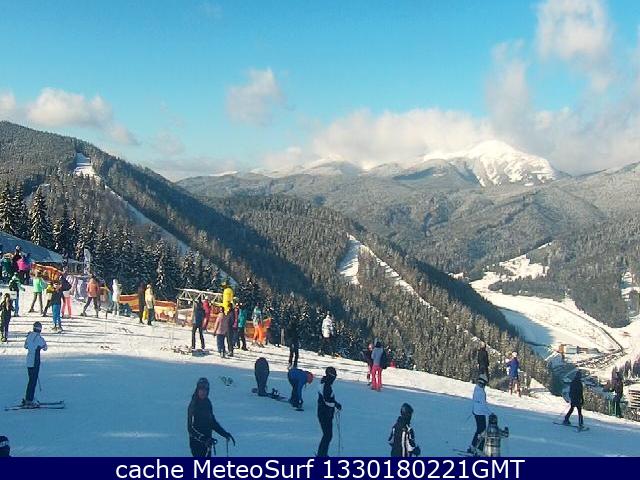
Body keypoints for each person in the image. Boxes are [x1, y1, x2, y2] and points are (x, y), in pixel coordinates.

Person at [187, 378, 235, 457]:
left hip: (208, 443)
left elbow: (212, 422)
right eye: (201, 389)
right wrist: (203, 438)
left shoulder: (207, 403)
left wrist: (224, 433)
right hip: (196, 444)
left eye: (205, 390)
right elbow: (190, 428)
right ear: (197, 390)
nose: (203, 392)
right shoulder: (193, 404)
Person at [316, 366, 341, 457]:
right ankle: (321, 455)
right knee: (327, 435)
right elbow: (326, 400)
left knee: (328, 435)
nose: (334, 378)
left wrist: (335, 403)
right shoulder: (325, 385)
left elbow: (329, 398)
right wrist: (335, 404)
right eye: (334, 376)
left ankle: (323, 454)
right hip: (324, 413)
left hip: (327, 413)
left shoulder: (326, 384)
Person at [23, 321, 47, 407]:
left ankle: (29, 397)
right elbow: (45, 347)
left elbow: (25, 346)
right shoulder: (39, 338)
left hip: (29, 361)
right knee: (33, 381)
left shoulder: (29, 336)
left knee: (31, 380)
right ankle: (29, 399)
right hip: (35, 361)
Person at [468, 373, 492, 456]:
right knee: (482, 431)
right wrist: (490, 413)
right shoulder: (480, 391)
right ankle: (478, 449)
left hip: (476, 412)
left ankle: (473, 447)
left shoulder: (477, 388)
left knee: (479, 430)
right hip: (480, 413)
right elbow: (483, 405)